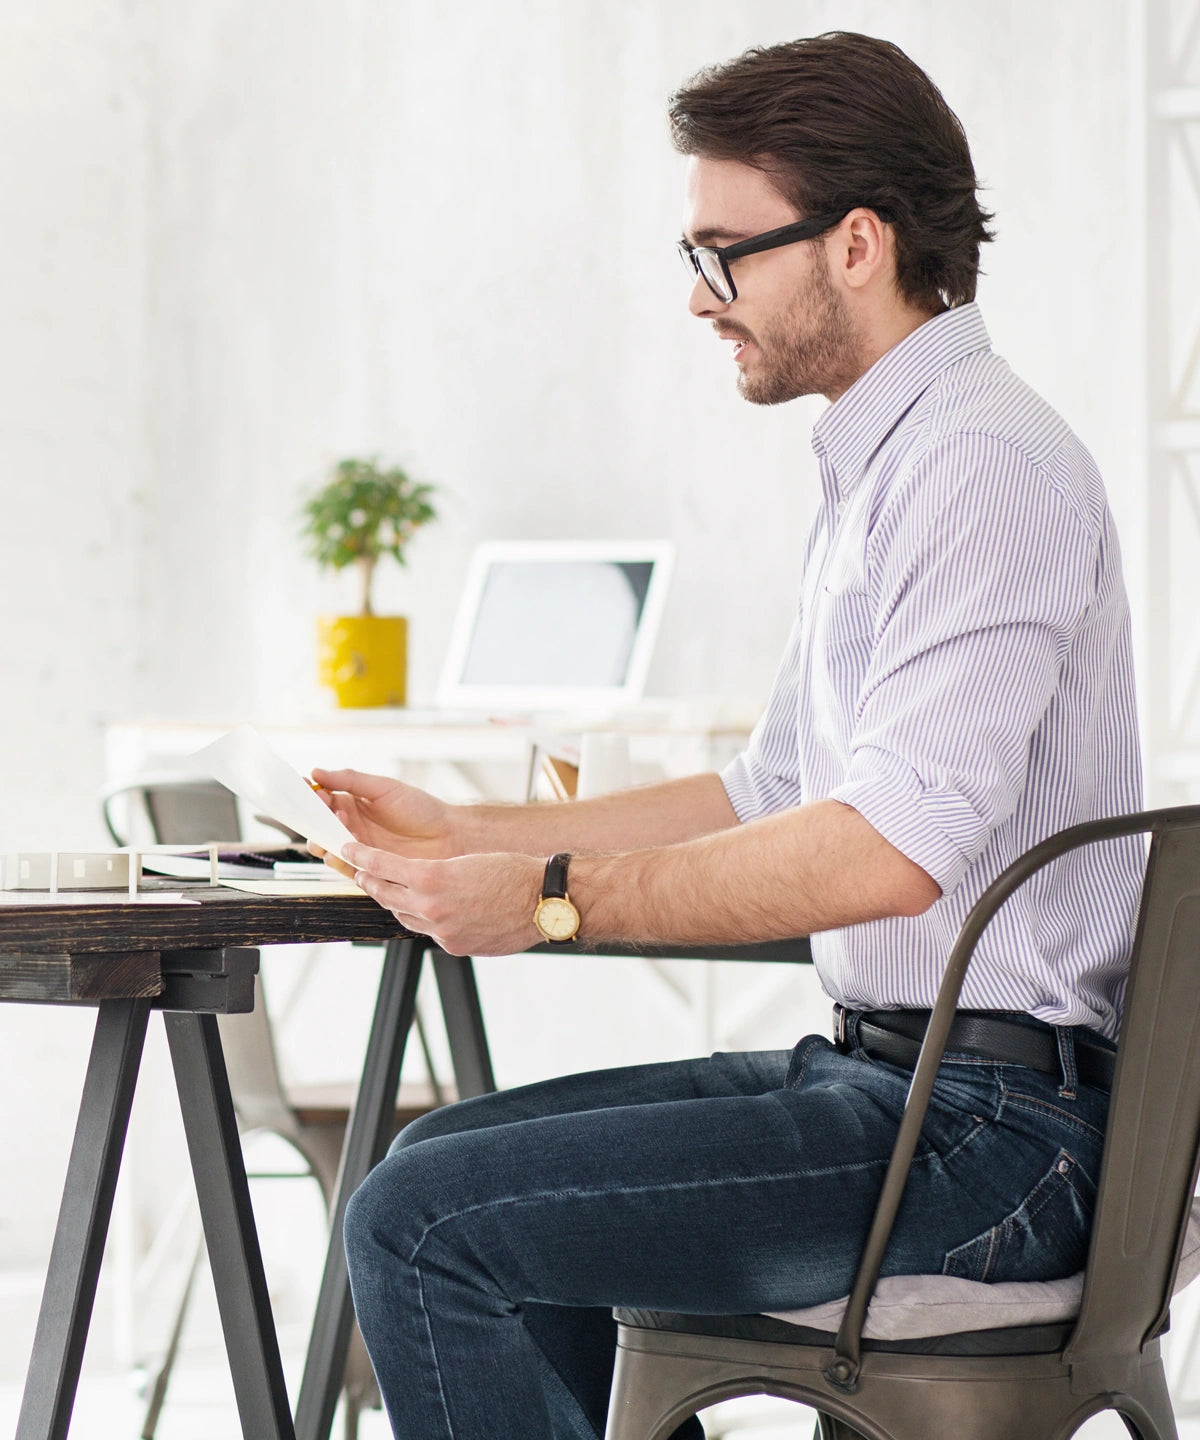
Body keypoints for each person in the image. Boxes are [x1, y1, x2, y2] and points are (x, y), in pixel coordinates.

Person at [314, 31, 1144, 1440]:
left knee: (424, 1221)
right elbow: (772, 787)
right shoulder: (895, 461)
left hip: (994, 1142)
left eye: (722, 253)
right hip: (904, 1087)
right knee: (437, 1164)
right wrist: (473, 834)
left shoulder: (980, 467)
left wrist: (553, 901)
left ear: (857, 244)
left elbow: (885, 851)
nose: (700, 299)